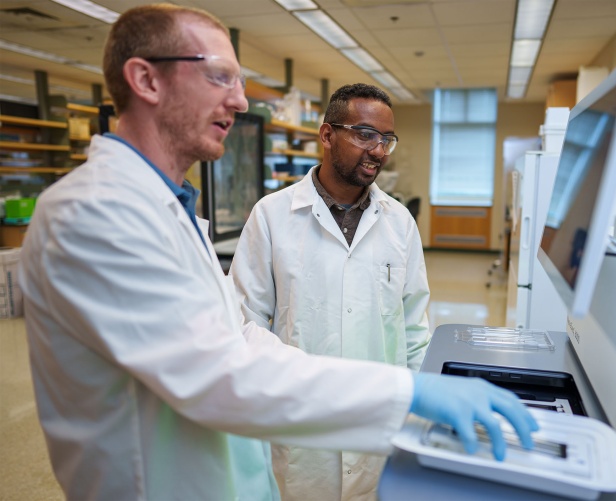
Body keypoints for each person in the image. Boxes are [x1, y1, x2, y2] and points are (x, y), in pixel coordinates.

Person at [18, 4, 538, 500]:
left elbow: (241, 337)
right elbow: (222, 375)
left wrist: (407, 384)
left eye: (239, 82)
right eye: (220, 76)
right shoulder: (95, 214)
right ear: (147, 80)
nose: (241, 101)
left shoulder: (165, 207)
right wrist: (403, 395)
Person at [230, 83, 431, 500]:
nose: (378, 150)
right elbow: (246, 328)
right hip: (300, 430)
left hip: (378, 425)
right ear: (326, 135)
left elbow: (414, 331)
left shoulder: (400, 223)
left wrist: (419, 416)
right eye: (364, 134)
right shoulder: (271, 217)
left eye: (386, 139)